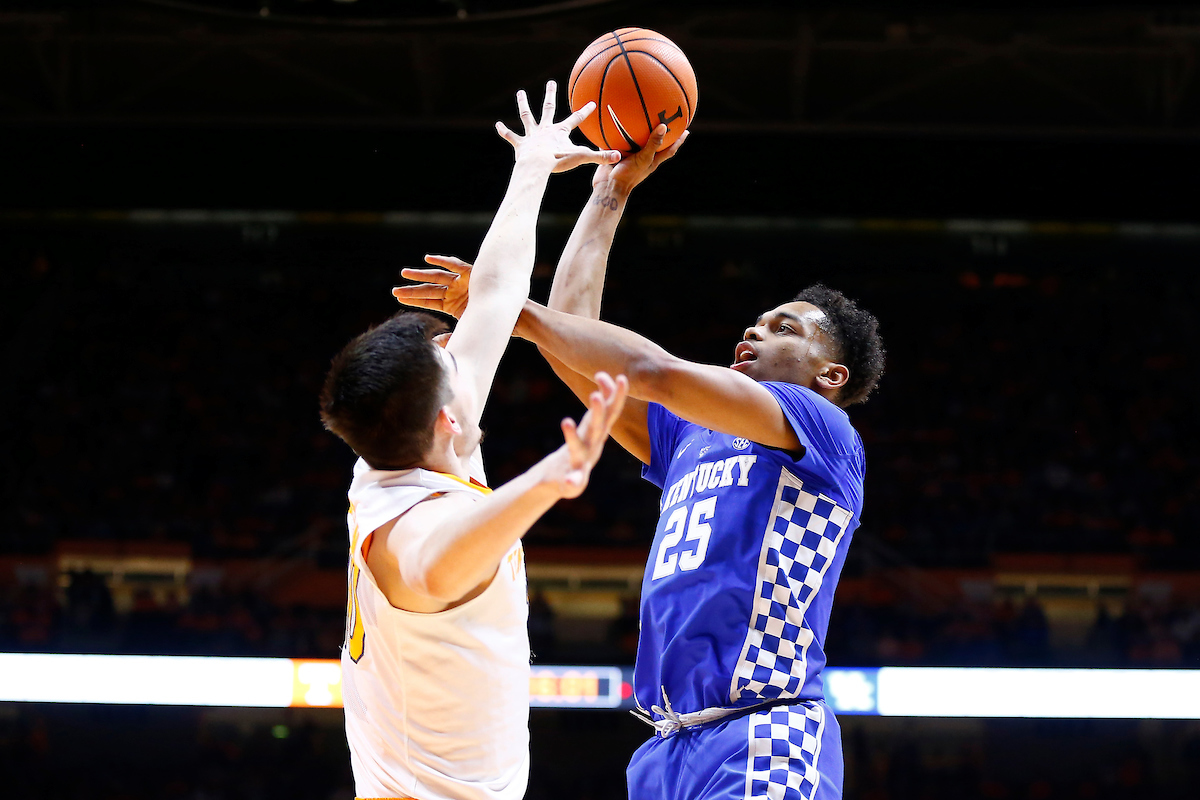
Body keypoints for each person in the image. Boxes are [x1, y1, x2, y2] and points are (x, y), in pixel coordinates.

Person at [394, 123, 886, 800]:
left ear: (831, 374)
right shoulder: (692, 435)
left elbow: (649, 368)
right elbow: (579, 340)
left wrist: (510, 308)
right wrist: (608, 191)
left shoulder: (823, 429)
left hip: (764, 733)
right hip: (664, 747)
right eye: (759, 320)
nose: (754, 329)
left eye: (784, 328)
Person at [319, 82, 628, 800]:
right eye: (449, 356)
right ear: (448, 418)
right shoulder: (406, 536)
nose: (461, 343)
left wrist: (533, 165)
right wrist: (554, 475)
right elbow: (437, 563)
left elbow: (493, 293)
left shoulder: (404, 451)